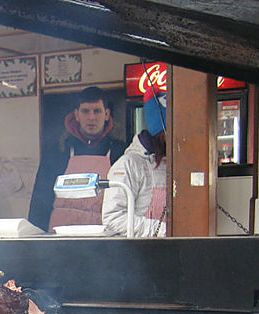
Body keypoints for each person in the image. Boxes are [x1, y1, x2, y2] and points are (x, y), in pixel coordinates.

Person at [28, 86, 126, 230]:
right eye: (85, 111)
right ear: (77, 115)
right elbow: (40, 202)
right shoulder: (58, 152)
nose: (91, 117)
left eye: (97, 111)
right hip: (59, 239)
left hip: (105, 240)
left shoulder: (121, 153)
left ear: (107, 114)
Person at [103, 89, 168, 237]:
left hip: (169, 249)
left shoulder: (176, 163)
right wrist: (164, 230)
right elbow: (113, 218)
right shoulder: (128, 164)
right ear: (161, 132)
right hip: (139, 254)